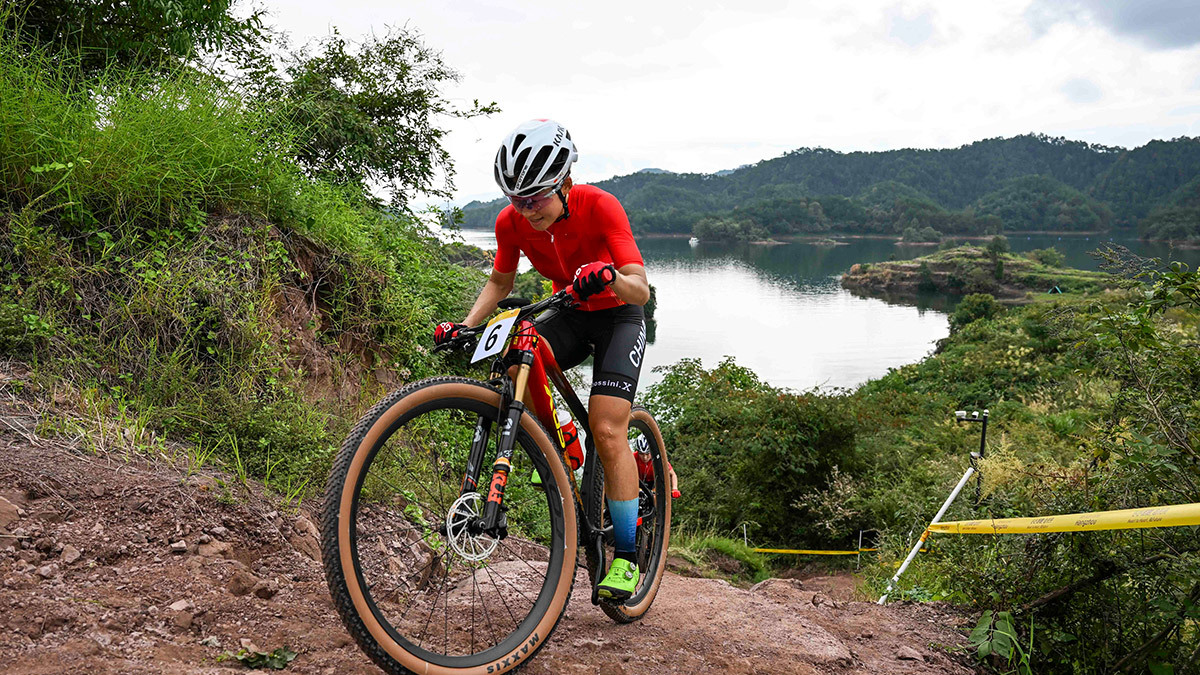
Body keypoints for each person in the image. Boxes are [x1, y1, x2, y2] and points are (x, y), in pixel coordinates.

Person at [434, 118, 652, 601]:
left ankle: (626, 557)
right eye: (516, 199)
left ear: (565, 183)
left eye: (535, 197)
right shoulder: (509, 223)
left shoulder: (601, 206)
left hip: (618, 314)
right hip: (570, 309)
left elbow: (640, 288)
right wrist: (466, 326)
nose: (526, 209)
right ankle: (559, 443)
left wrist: (609, 276)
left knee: (608, 429)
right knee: (517, 356)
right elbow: (501, 282)